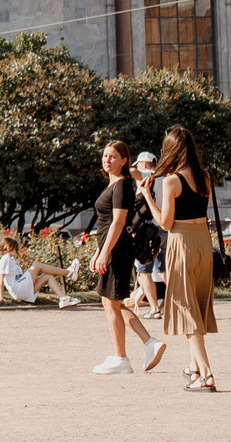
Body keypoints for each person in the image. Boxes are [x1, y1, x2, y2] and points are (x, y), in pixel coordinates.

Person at [148, 125, 219, 392]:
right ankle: (194, 369)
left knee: (186, 309)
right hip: (203, 241)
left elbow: (165, 223)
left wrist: (147, 197)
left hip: (182, 242)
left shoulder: (171, 181)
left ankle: (207, 374)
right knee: (196, 305)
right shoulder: (206, 177)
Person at [89, 140, 164, 373]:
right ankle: (144, 345)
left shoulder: (121, 185)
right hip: (111, 248)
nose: (107, 160)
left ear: (124, 160)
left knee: (112, 303)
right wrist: (98, 251)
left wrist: (105, 252)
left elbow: (119, 222)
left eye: (112, 156)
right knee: (111, 302)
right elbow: (106, 224)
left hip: (117, 250)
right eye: (105, 156)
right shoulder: (113, 184)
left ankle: (123, 357)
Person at [0, 229, 80, 307]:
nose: (18, 250)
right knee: (37, 265)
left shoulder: (11, 259)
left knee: (48, 276)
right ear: (10, 248)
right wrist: (0, 297)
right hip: (18, 289)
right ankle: (68, 273)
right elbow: (0, 279)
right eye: (16, 248)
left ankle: (63, 298)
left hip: (21, 290)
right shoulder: (6, 258)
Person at [127, 153, 165, 318]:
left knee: (144, 271)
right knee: (164, 270)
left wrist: (123, 167)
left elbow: (134, 173)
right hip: (165, 227)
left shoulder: (149, 175)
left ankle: (155, 308)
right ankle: (175, 304)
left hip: (148, 229)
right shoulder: (167, 178)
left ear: (143, 164)